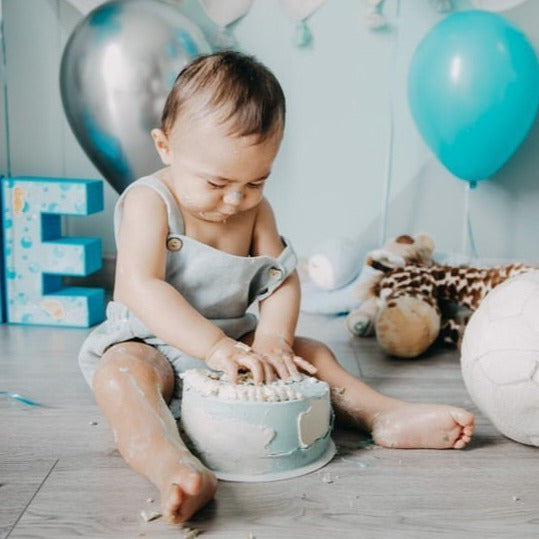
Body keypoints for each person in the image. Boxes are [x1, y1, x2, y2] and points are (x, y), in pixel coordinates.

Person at [79, 51, 475, 525]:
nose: (234, 200)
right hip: (151, 342)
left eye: (255, 182)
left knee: (314, 355)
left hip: (236, 343)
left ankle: (382, 414)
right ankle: (171, 465)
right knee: (121, 377)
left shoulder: (255, 212)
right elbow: (141, 286)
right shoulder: (151, 202)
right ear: (165, 147)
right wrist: (213, 347)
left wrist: (272, 339)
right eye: (216, 182)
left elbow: (282, 279)